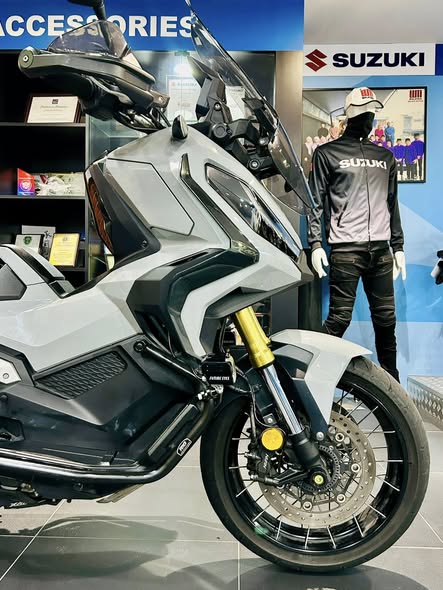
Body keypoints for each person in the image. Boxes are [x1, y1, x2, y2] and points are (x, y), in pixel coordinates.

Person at [307, 87, 406, 382]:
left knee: (386, 322)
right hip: (346, 250)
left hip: (381, 252)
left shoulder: (385, 157)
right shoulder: (327, 153)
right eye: (363, 111)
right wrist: (315, 243)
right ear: (349, 114)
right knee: (339, 319)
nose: (368, 117)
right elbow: (314, 202)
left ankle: (393, 388)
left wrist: (398, 246)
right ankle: (311, 380)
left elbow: (392, 203)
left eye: (371, 112)